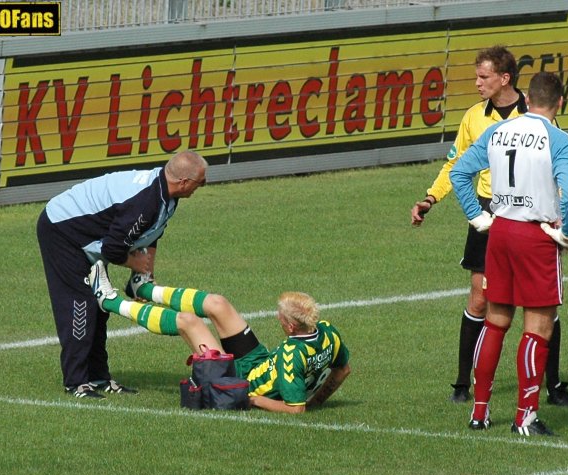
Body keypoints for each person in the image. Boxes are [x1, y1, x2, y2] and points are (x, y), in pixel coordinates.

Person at [410, 45, 568, 406]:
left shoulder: (537, 115)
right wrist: (430, 198)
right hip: (489, 214)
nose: (477, 83)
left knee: (542, 306)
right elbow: (456, 165)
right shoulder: (473, 117)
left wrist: (558, 213)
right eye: (476, 77)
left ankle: (554, 385)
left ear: (505, 78)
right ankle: (462, 384)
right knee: (482, 298)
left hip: (529, 214)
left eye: (483, 77)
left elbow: (555, 168)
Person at [450, 71, 568, 435]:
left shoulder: (497, 130)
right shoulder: (558, 139)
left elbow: (460, 171)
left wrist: (477, 216)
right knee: (538, 327)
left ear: (526, 98)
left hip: (501, 233)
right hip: (536, 236)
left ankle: (479, 412)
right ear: (559, 103)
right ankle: (525, 416)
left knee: (495, 322)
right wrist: (566, 233)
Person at [37, 150, 208, 399]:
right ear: (183, 181)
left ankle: (98, 376)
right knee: (81, 303)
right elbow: (113, 249)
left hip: (86, 235)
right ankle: (76, 382)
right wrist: (134, 264)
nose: (201, 186)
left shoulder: (167, 195)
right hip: (63, 232)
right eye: (200, 182)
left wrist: (144, 278)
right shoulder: (145, 201)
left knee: (100, 305)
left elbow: (151, 234)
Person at [87, 260, 352, 413]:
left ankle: (108, 301)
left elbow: (296, 409)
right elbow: (343, 369)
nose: (277, 318)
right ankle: (143, 288)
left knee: (188, 321)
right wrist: (318, 400)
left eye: (280, 317)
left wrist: (254, 399)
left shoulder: (293, 354)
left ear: (291, 327)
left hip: (237, 380)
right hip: (257, 361)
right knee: (218, 304)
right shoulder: (328, 332)